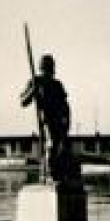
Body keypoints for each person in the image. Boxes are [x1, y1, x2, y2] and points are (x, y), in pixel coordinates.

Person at [20, 53, 73, 181]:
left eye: (51, 67)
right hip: (45, 120)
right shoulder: (35, 81)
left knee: (63, 148)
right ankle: (50, 175)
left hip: (59, 120)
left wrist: (67, 121)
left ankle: (59, 174)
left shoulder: (57, 84)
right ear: (42, 67)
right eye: (47, 67)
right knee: (51, 145)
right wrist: (33, 90)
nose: (50, 70)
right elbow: (23, 101)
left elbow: (65, 104)